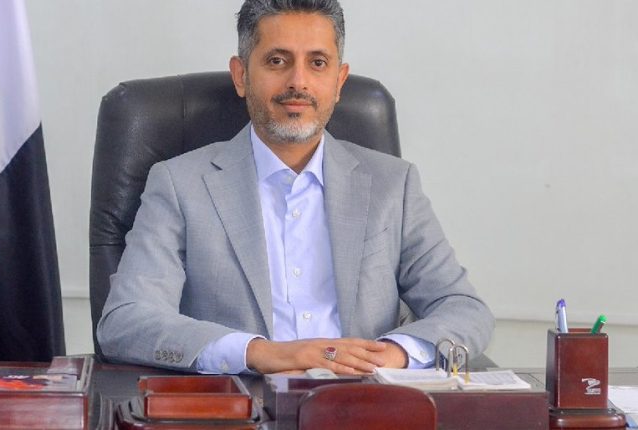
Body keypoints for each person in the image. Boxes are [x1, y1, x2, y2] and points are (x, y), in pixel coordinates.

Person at [97, 0, 494, 375]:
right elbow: (126, 320)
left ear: (338, 81)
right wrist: (261, 353)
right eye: (277, 61)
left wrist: (391, 355)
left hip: (361, 401)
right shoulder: (180, 184)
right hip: (242, 404)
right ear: (241, 75)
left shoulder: (393, 185)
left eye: (317, 63)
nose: (298, 82)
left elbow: (464, 309)